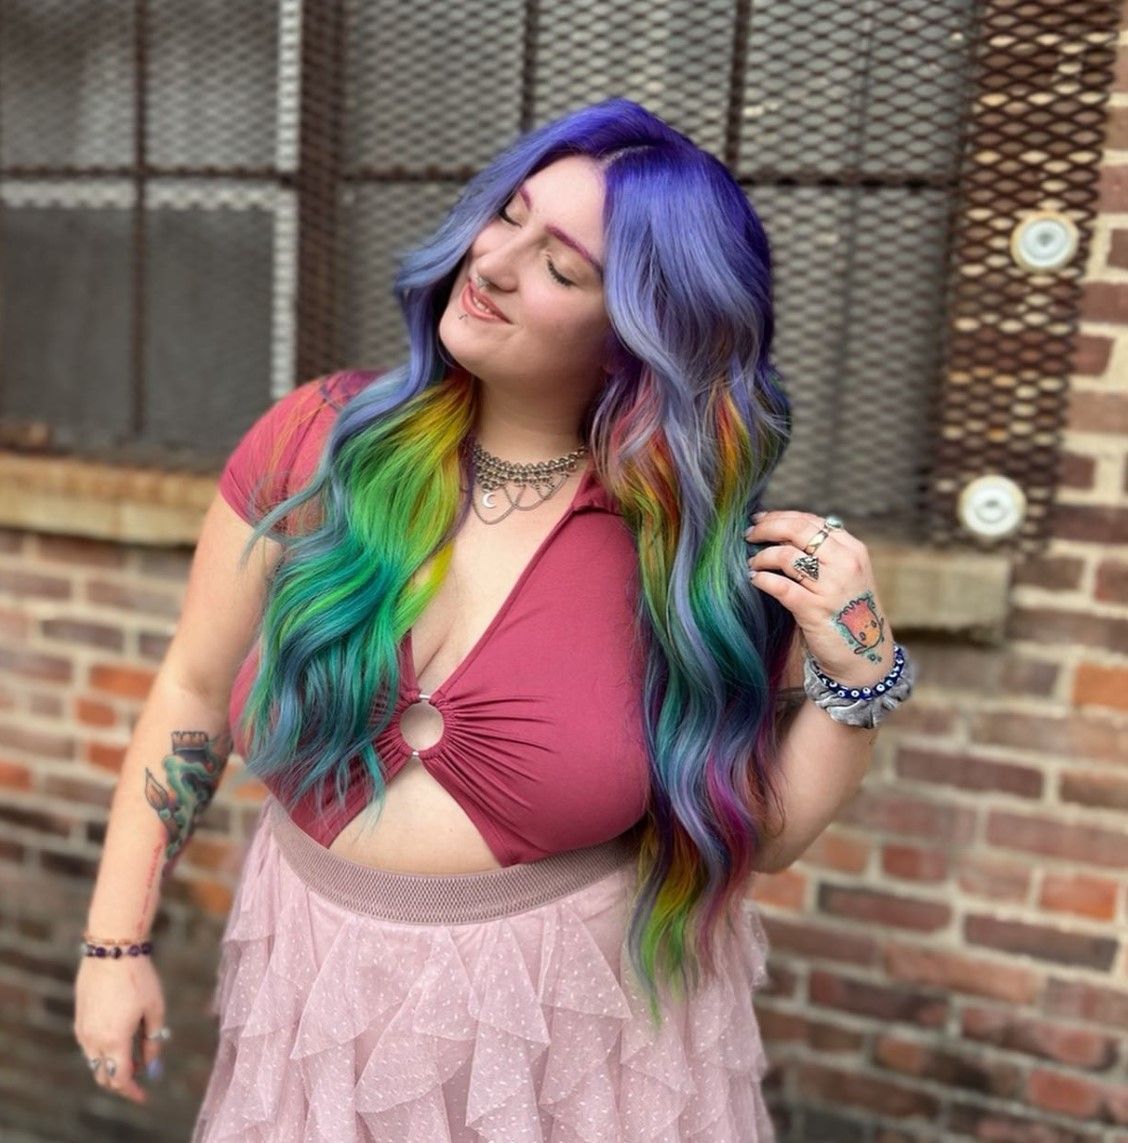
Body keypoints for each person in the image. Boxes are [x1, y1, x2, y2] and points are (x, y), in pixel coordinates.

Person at [74, 97, 915, 1140]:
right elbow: (192, 689)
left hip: (580, 1037)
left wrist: (859, 667)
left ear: (641, 333)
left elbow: (774, 834)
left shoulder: (692, 554)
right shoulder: (321, 443)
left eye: (563, 267)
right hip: (315, 996)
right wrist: (115, 944)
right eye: (508, 215)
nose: (495, 262)